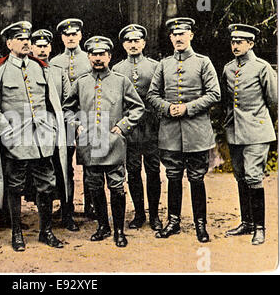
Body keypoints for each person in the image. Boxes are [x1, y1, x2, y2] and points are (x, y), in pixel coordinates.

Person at [0, 21, 69, 251]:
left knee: (47, 186)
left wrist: (51, 128)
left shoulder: (40, 67)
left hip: (42, 140)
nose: (26, 42)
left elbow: (51, 103)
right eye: (20, 39)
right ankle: (17, 233)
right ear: (9, 43)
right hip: (15, 140)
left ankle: (45, 231)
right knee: (15, 187)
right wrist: (6, 132)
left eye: (28, 39)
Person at [63, 36, 145, 247]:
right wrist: (77, 125)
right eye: (94, 54)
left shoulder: (121, 81)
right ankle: (103, 227)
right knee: (94, 186)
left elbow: (138, 107)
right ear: (89, 57)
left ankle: (119, 230)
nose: (98, 58)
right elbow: (67, 108)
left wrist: (123, 127)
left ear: (109, 56)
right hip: (90, 144)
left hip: (114, 143)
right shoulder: (81, 82)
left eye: (102, 54)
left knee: (117, 187)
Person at [147, 17, 221, 243]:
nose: (178, 38)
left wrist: (187, 108)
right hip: (170, 132)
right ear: (170, 38)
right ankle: (173, 221)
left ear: (191, 35)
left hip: (196, 131)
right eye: (174, 34)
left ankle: (201, 225)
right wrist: (168, 108)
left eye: (183, 33)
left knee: (197, 178)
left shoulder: (203, 62)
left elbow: (214, 93)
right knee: (173, 176)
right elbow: (152, 95)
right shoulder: (164, 64)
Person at [222, 24, 277, 245]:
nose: (235, 45)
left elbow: (274, 100)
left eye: (240, 42)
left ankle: (260, 228)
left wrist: (262, 123)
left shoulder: (262, 67)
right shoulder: (228, 68)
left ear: (251, 44)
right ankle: (246, 223)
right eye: (233, 41)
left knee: (254, 176)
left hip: (257, 131)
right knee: (240, 176)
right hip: (235, 131)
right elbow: (227, 101)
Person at [112, 24, 162, 231]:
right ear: (123, 44)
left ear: (143, 42)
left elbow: (161, 95)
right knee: (132, 171)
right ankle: (139, 213)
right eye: (129, 41)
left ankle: (155, 215)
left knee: (153, 170)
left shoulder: (155, 66)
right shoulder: (117, 69)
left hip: (151, 126)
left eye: (137, 40)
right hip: (129, 127)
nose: (133, 44)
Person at [30, 28, 79, 232]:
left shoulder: (59, 72)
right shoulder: (27, 71)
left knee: (65, 170)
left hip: (61, 128)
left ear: (50, 47)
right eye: (38, 46)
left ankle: (67, 213)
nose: (42, 50)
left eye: (45, 46)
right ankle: (43, 216)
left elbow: (68, 101)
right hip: (36, 130)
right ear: (31, 48)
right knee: (38, 172)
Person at [50, 18, 94, 219]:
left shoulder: (89, 58)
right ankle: (66, 204)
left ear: (81, 36)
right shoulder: (55, 62)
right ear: (62, 37)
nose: (71, 37)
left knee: (88, 161)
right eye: (67, 35)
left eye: (74, 34)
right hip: (64, 117)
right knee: (64, 161)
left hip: (86, 115)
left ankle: (90, 205)